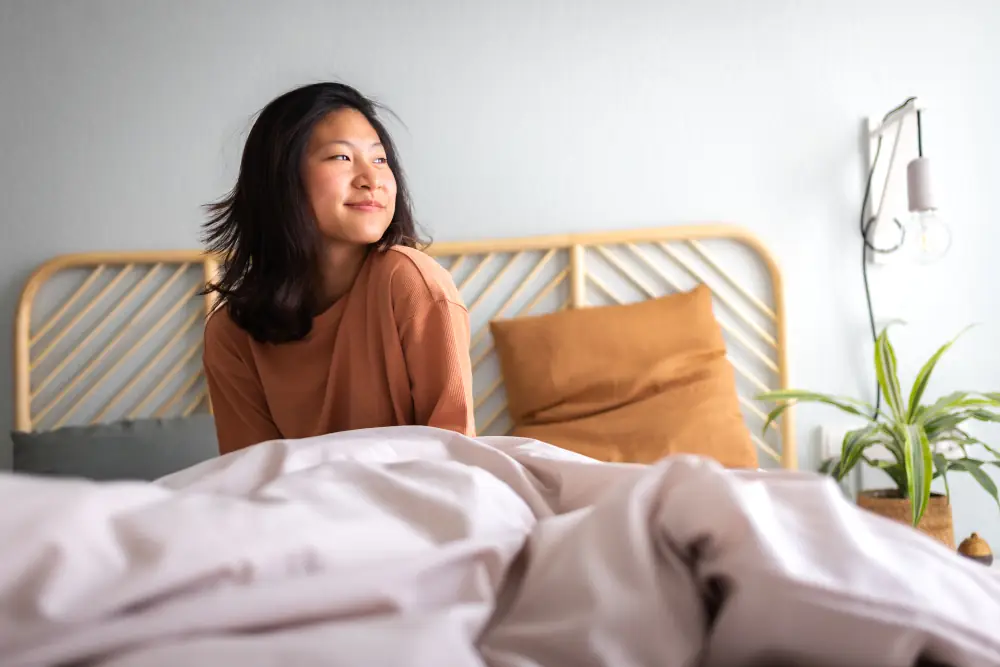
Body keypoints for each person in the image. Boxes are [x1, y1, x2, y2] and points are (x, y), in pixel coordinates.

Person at [201, 82, 475, 455]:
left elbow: (456, 459)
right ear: (281, 179)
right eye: (341, 158)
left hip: (417, 506)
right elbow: (250, 478)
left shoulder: (411, 284)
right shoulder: (231, 333)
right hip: (295, 510)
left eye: (380, 160)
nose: (372, 179)